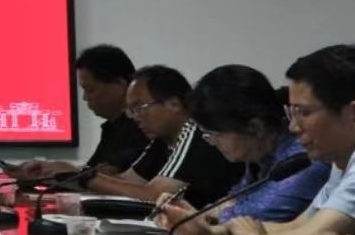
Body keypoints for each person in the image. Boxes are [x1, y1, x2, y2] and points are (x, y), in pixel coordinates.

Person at [160, 64, 329, 235]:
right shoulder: (259, 154)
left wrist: (203, 219)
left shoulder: (304, 157)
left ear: (255, 127)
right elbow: (234, 200)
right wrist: (193, 215)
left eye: (214, 134)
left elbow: (258, 216)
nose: (211, 142)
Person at [225, 45, 355, 235]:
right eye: (291, 113)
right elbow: (299, 227)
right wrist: (216, 231)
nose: (293, 127)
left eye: (304, 113)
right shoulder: (341, 160)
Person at [85, 65, 242, 207]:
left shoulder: (196, 132)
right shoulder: (162, 138)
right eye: (131, 110)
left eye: (139, 107)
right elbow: (127, 181)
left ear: (174, 104)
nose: (134, 117)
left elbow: (155, 195)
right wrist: (79, 176)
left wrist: (86, 178)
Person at [17, 44, 147, 179]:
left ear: (120, 85)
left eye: (90, 89)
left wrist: (72, 172)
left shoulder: (144, 128)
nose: (85, 98)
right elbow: (94, 171)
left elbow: (114, 177)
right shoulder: (112, 127)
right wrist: (49, 172)